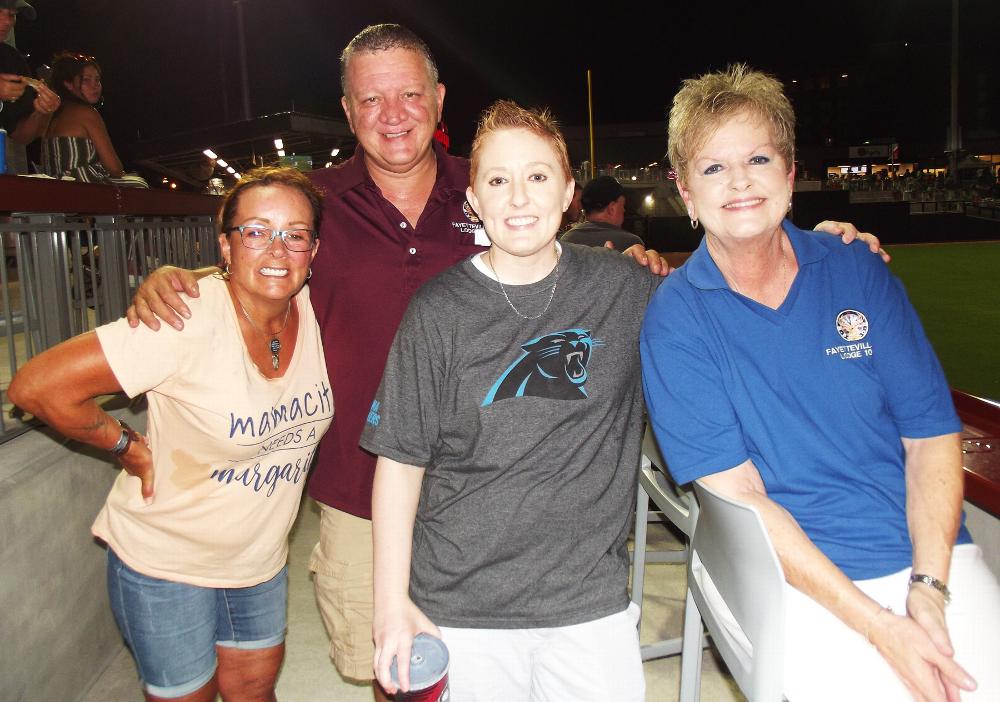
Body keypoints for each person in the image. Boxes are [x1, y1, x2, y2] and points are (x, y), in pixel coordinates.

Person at [123, 25, 880, 699]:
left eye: (410, 93)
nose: (393, 112)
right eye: (371, 98)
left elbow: (710, 293)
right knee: (392, 666)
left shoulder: (493, 185)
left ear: (440, 101)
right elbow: (258, 262)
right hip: (366, 487)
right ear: (349, 110)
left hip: (559, 562)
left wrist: (817, 249)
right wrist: (182, 280)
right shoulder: (312, 203)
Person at [640, 65, 1000, 702]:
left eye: (757, 157)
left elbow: (930, 436)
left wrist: (928, 588)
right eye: (713, 167)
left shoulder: (856, 266)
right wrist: (880, 625)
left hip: (928, 555)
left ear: (788, 170)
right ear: (686, 193)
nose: (741, 181)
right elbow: (745, 499)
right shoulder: (677, 318)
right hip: (795, 577)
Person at [366, 100, 657, 701]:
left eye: (538, 176)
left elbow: (728, 292)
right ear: (473, 199)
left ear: (569, 191)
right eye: (498, 180)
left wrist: (828, 247)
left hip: (587, 600)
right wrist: (390, 605)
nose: (519, 198)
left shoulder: (625, 290)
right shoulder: (437, 311)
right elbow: (399, 464)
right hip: (462, 600)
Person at [8, 166, 333, 702]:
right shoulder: (184, 320)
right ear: (227, 246)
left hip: (257, 560)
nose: (277, 249)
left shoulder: (310, 307)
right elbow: (36, 386)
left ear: (313, 250)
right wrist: (126, 446)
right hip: (167, 562)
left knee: (254, 689)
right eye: (255, 231)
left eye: (294, 234)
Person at [39, 51, 147, 186]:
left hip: (54, 188)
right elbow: (114, 167)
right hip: (84, 187)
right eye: (86, 80)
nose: (95, 85)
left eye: (97, 79)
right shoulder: (86, 113)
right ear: (68, 84)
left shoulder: (50, 114)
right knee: (140, 184)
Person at [0, 0, 60, 173]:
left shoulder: (12, 60)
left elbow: (21, 135)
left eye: (11, 15)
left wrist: (40, 111)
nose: (6, 22)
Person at [561, 174, 643, 250]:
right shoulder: (632, 244)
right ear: (612, 209)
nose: (624, 210)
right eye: (622, 206)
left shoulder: (566, 239)